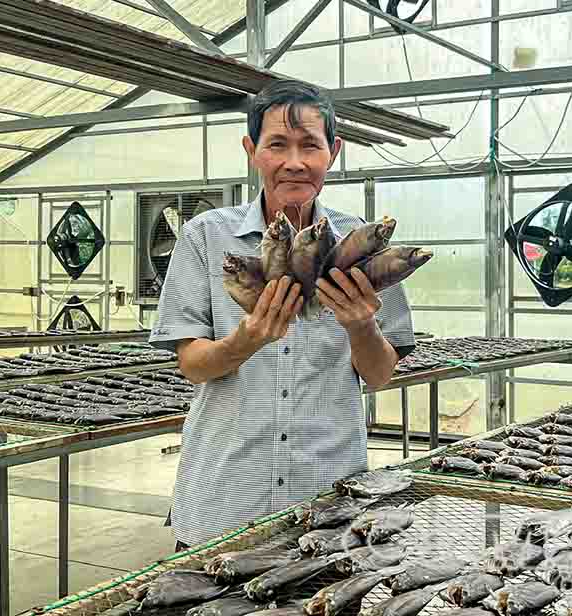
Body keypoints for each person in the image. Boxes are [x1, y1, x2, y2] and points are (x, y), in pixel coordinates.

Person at [148, 79, 416, 551]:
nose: (294, 162)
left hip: (329, 500)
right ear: (252, 150)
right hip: (223, 498)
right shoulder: (205, 237)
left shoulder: (363, 244)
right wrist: (244, 342)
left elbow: (379, 375)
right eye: (277, 145)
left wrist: (360, 325)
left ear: (333, 152)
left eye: (310, 145)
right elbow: (192, 365)